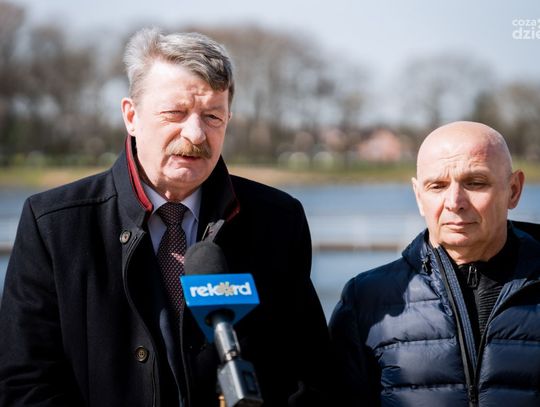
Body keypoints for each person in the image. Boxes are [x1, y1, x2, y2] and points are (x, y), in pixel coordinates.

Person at [0, 27, 332, 407]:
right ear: (131, 116)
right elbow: (25, 384)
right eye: (175, 113)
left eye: (212, 116)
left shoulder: (277, 221)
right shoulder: (53, 225)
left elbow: (309, 375)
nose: (196, 134)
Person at [329, 121, 540, 406]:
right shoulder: (366, 298)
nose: (455, 202)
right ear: (419, 196)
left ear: (513, 190)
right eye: (437, 186)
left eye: (475, 183)